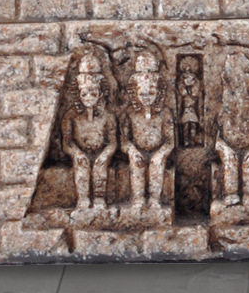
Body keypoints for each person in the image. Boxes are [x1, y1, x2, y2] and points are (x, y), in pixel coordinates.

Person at [61, 50, 117, 210]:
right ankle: (83, 199)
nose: (89, 97)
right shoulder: (70, 115)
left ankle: (99, 199)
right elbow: (67, 141)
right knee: (81, 165)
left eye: (93, 93)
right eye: (84, 93)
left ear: (100, 93)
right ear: (78, 94)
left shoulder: (107, 116)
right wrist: (76, 153)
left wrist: (105, 153)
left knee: (100, 167)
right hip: (81, 152)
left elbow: (112, 142)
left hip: (100, 151)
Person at [120, 50, 175, 210]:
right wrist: (132, 150)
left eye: (151, 93)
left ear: (159, 93)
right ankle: (138, 199)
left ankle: (154, 199)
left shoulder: (164, 113)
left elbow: (170, 141)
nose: (146, 97)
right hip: (137, 151)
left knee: (157, 163)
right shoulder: (130, 113)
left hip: (157, 151)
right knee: (136, 163)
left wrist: (161, 153)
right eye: (142, 93)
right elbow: (124, 141)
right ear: (134, 93)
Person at [214, 52, 249, 208]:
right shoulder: (222, 111)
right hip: (228, 148)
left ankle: (248, 194)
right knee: (230, 161)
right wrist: (225, 148)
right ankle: (231, 194)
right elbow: (217, 138)